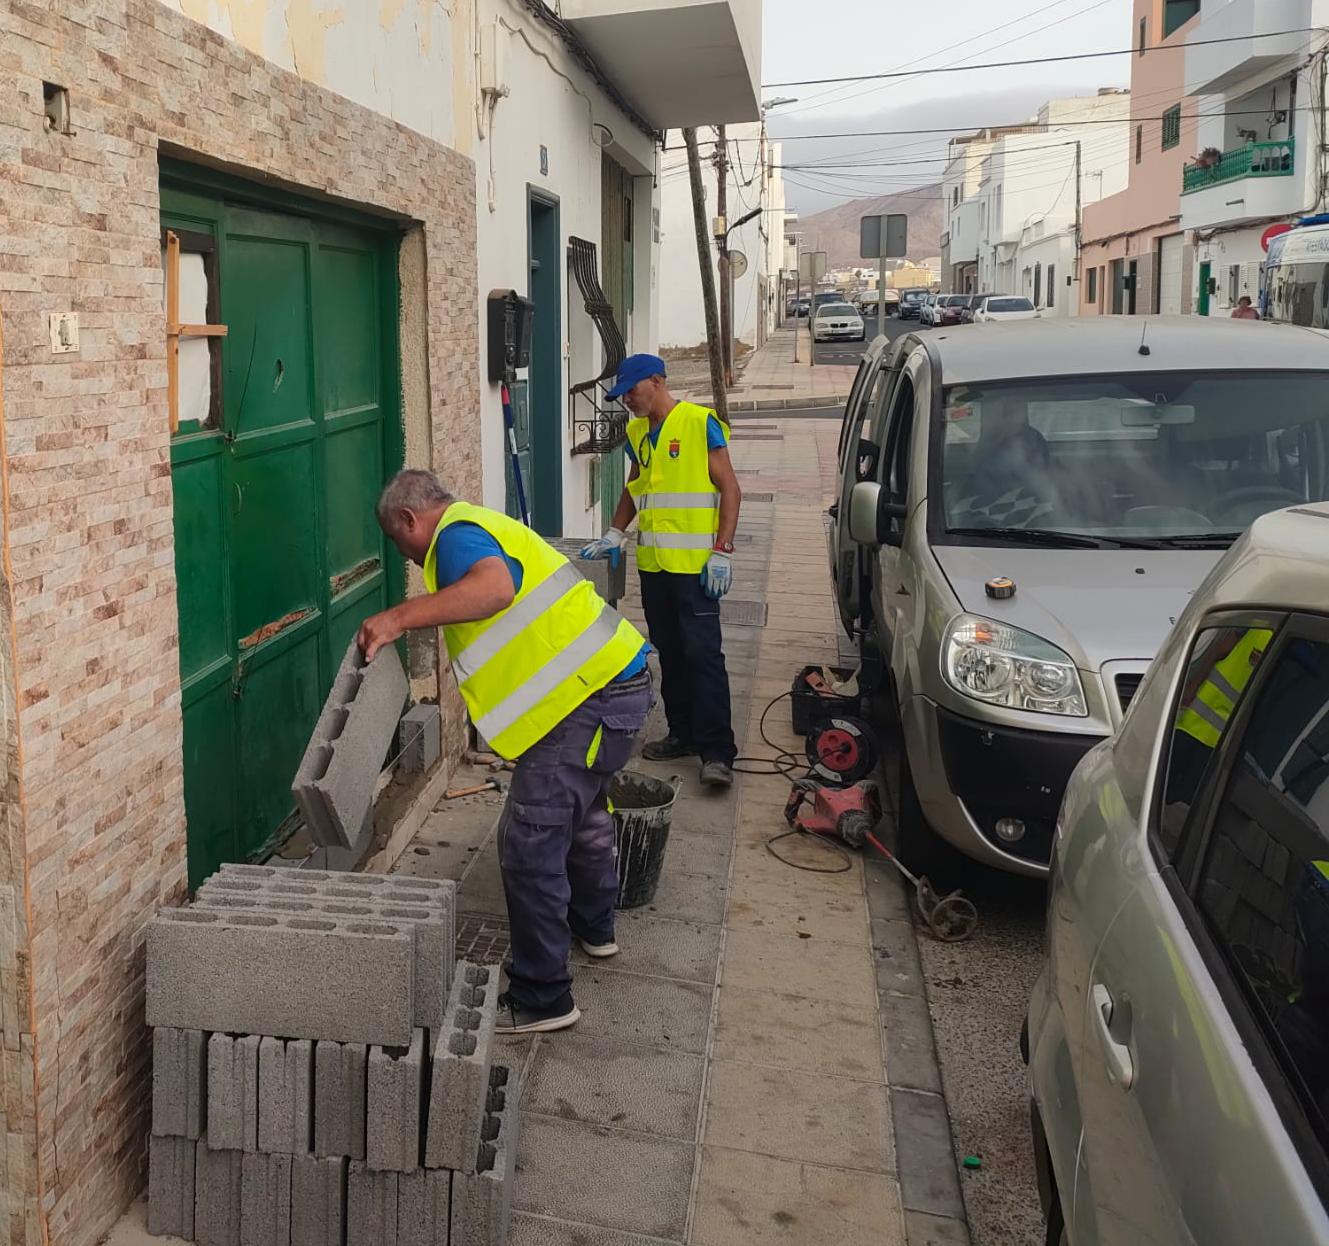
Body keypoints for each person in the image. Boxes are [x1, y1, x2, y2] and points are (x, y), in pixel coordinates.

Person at [358, 470, 652, 1035]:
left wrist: (396, 618)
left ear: (409, 520)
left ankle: (544, 998)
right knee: (585, 816)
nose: (408, 557)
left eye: (400, 544)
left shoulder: (455, 537)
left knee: (529, 841)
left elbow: (495, 590)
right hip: (612, 687)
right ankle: (595, 928)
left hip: (586, 698)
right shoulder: (480, 523)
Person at [581, 354, 741, 788]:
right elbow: (636, 487)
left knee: (703, 657)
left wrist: (722, 550)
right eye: (623, 395)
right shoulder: (638, 432)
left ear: (656, 381)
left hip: (696, 569)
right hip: (655, 567)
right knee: (670, 652)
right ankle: (682, 734)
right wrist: (615, 532)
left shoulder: (697, 422)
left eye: (632, 391)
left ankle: (717, 752)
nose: (627, 400)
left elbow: (730, 488)